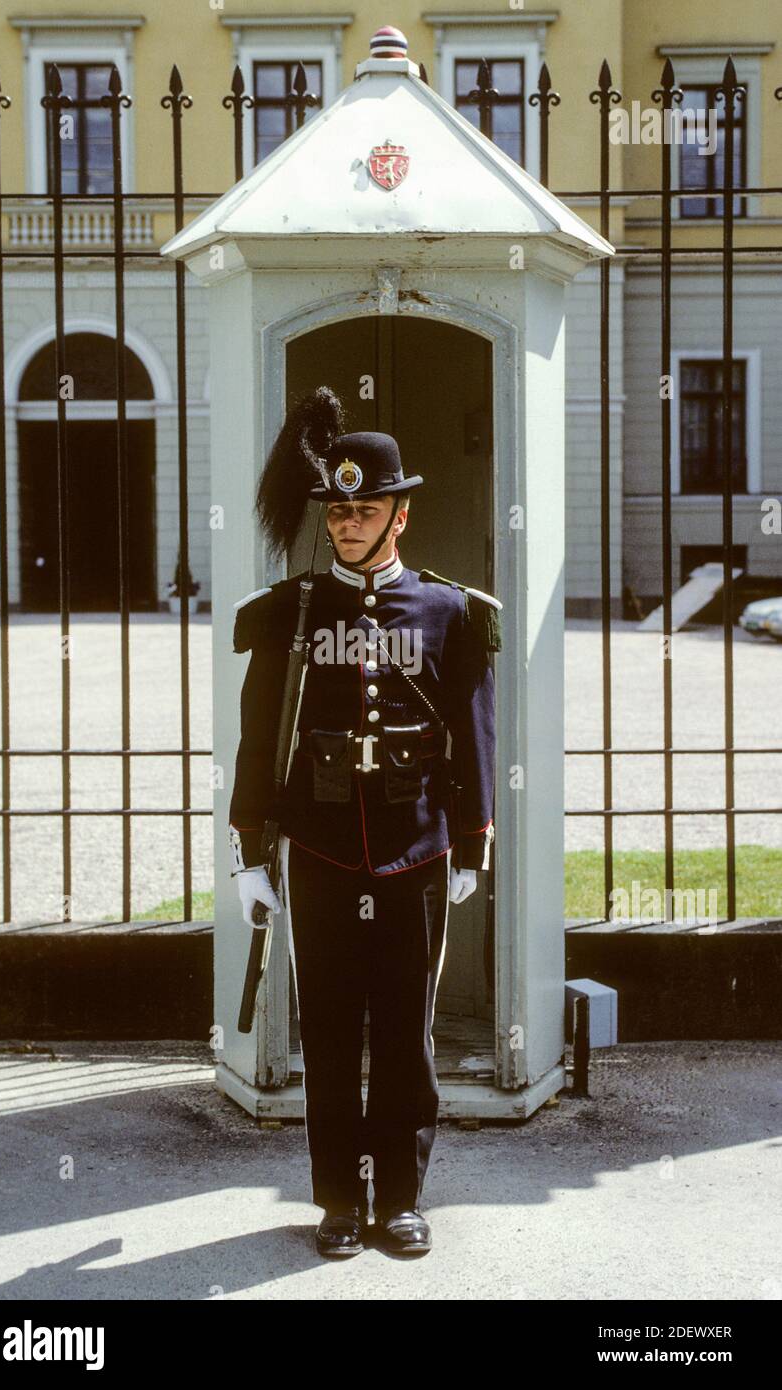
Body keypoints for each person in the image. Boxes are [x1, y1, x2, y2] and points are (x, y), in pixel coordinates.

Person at [228, 386, 499, 1258]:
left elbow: (475, 733)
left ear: (400, 514)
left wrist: (469, 838)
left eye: (366, 509)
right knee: (332, 1027)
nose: (348, 526)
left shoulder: (449, 612)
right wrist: (250, 849)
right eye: (338, 511)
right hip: (320, 845)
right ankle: (340, 1200)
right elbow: (259, 735)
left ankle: (403, 1199)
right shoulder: (292, 610)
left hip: (416, 844)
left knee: (406, 1029)